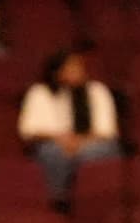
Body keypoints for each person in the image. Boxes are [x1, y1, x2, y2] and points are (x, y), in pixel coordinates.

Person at [16, 50, 122, 203]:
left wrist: (79, 142)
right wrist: (60, 138)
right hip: (55, 143)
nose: (77, 71)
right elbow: (29, 130)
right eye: (71, 67)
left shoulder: (97, 90)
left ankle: (90, 201)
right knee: (52, 152)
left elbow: (108, 130)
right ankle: (58, 201)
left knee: (96, 152)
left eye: (78, 67)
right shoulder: (40, 92)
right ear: (57, 72)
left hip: (92, 141)